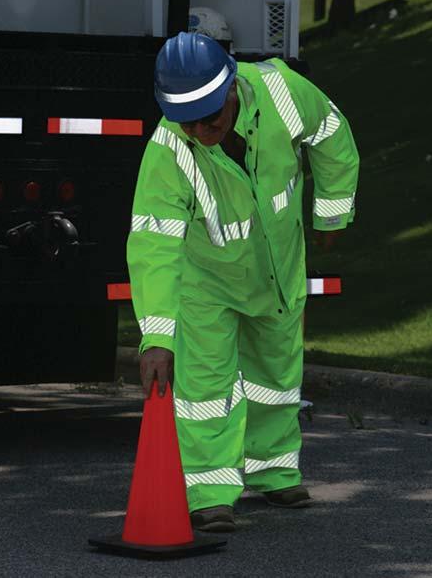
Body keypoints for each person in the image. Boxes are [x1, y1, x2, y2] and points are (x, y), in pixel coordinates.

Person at [126, 32, 359, 532]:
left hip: (277, 269)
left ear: (232, 88)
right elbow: (153, 246)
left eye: (209, 116)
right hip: (205, 283)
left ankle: (274, 472)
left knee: (275, 377)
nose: (200, 129)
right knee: (204, 387)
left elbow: (332, 134)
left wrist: (331, 215)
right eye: (186, 120)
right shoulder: (168, 150)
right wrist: (157, 338)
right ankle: (209, 491)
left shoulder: (283, 92)